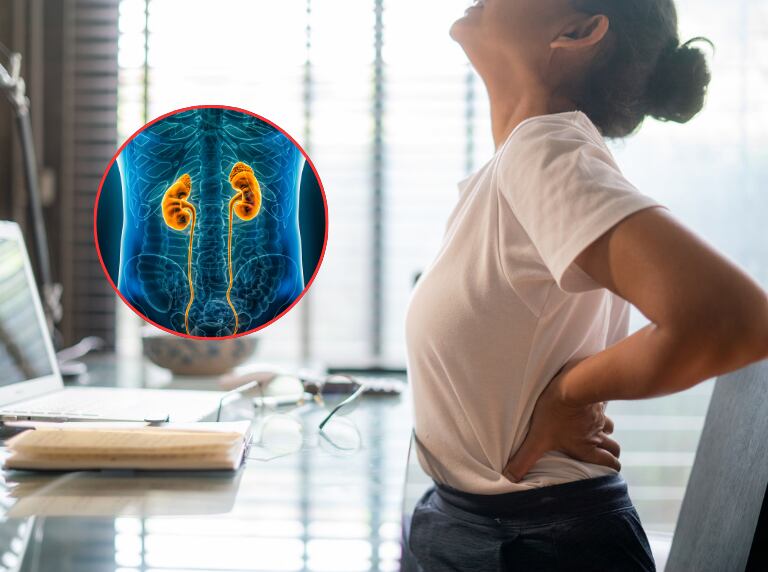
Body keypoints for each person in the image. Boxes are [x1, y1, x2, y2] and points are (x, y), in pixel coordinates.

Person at [403, 1, 768, 570]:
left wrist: (570, 392)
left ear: (577, 31)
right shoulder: (518, 165)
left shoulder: (544, 153)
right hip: (489, 526)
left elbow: (735, 320)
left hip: (536, 544)